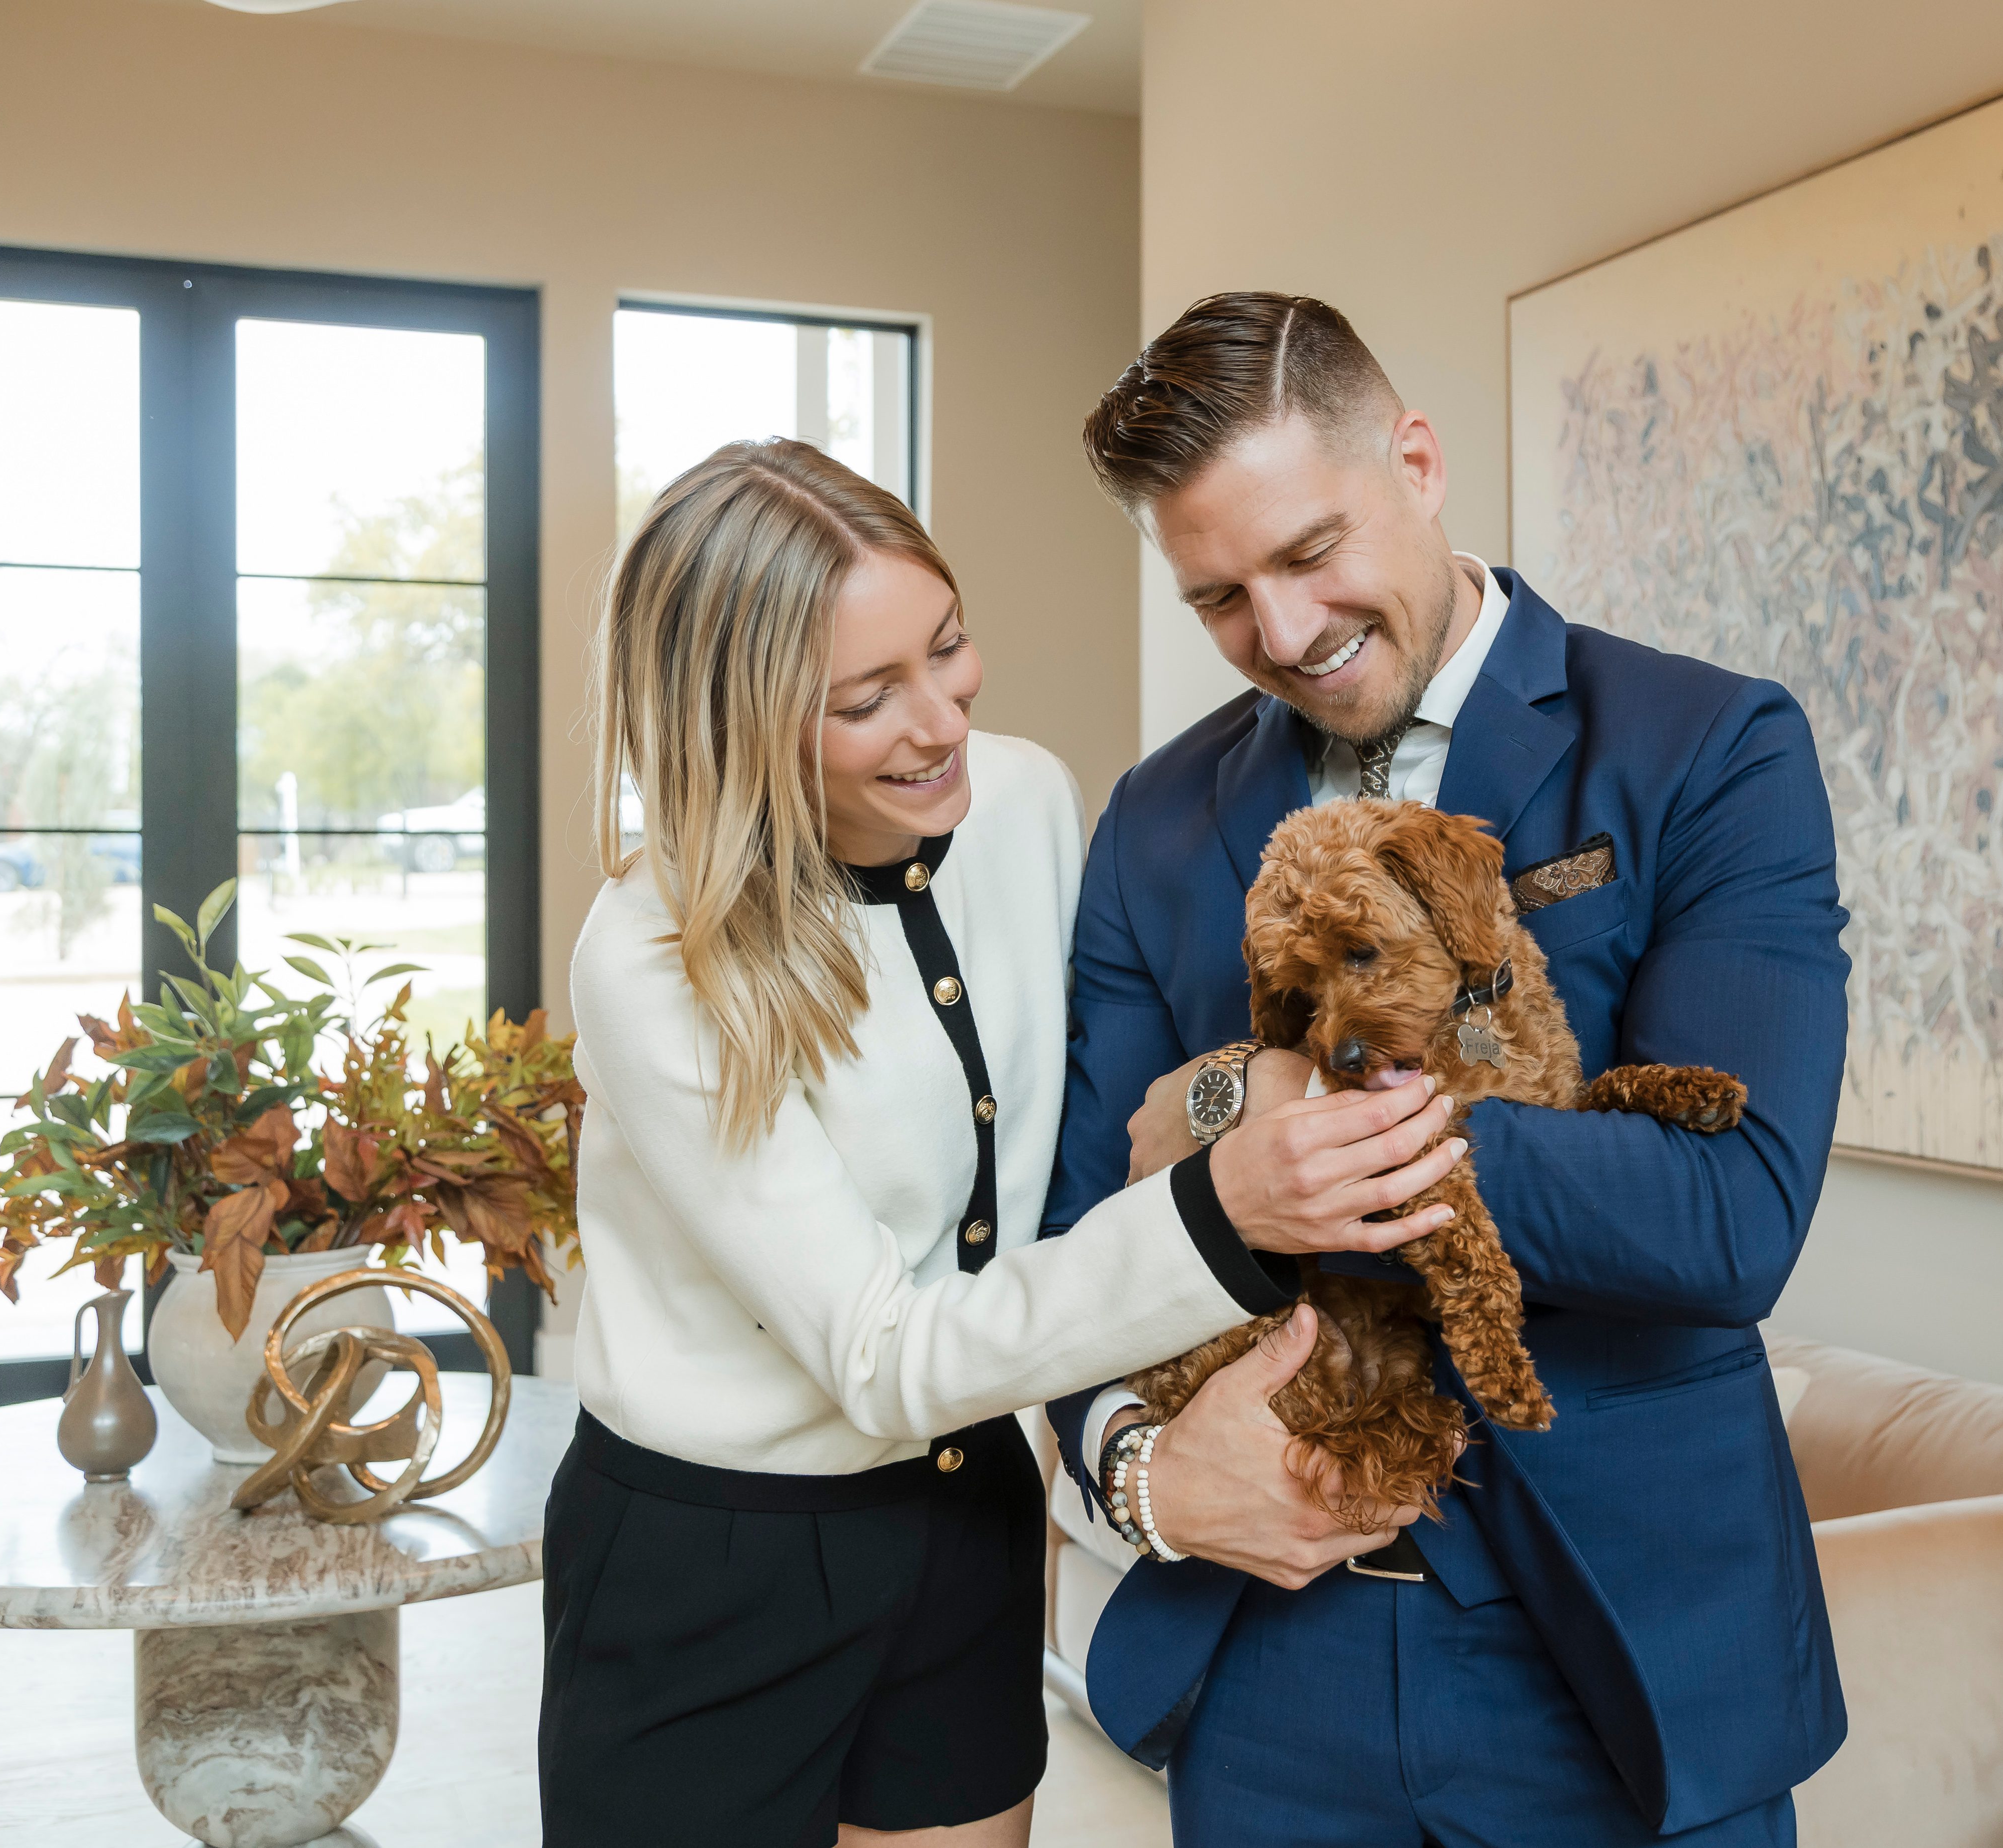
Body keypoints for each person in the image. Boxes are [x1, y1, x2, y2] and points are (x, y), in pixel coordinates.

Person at [536, 438, 1469, 1848]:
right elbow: (883, 1355)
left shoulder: (1027, 800)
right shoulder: (659, 953)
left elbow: (1141, 1108)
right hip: (710, 1561)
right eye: (866, 699)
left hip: (973, 1515)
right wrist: (1222, 1216)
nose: (940, 720)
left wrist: (1233, 1115)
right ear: (740, 726)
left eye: (950, 647)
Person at [1045, 295, 1852, 1846]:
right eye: (1218, 595)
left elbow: (1732, 1210)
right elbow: (1081, 1235)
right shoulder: (1151, 822)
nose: (1280, 636)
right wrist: (1144, 1471)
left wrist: (1305, 1121)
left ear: (1415, 460)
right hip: (1268, 1665)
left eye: (1304, 555)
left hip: (1622, 1658)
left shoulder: (1710, 747)